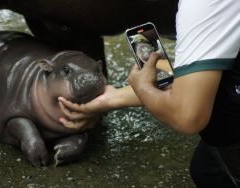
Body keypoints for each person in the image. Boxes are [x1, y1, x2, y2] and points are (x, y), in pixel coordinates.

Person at [58, 0, 240, 187]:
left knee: (218, 142)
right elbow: (198, 82)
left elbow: (187, 116)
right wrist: (114, 97)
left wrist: (143, 87)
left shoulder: (202, 7)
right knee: (206, 169)